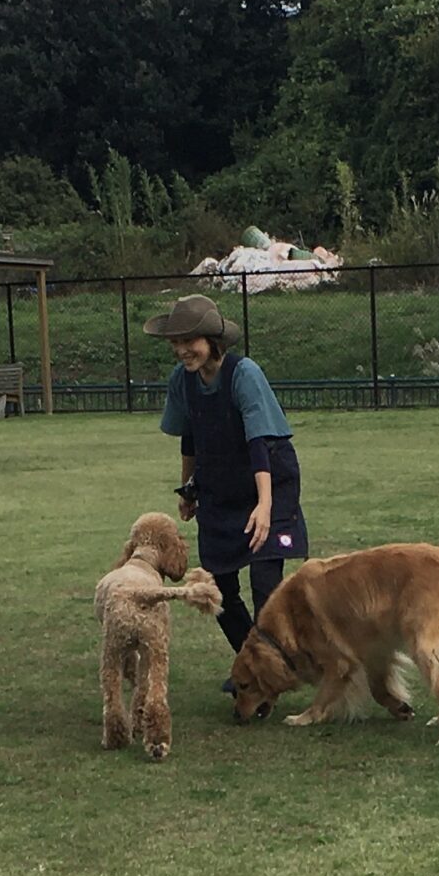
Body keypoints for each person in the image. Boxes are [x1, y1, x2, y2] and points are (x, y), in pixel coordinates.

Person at [144, 293, 308, 689]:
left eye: (190, 341)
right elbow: (189, 436)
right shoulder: (182, 380)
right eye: (176, 342)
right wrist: (189, 488)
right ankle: (253, 665)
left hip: (267, 481)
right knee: (216, 588)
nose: (182, 350)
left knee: (266, 587)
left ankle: (274, 667)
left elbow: (259, 441)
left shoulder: (243, 373)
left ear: (212, 339)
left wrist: (265, 506)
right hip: (219, 485)